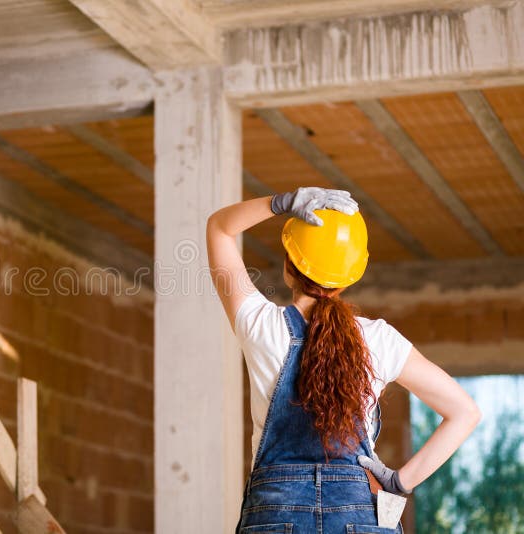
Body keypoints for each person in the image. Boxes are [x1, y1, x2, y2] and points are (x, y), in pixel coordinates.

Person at [206, 187, 481, 533]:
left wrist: (281, 203)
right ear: (351, 276)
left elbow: (219, 227)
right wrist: (399, 482)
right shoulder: (379, 340)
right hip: (361, 508)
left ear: (289, 267)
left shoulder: (261, 326)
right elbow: (465, 412)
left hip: (275, 511)